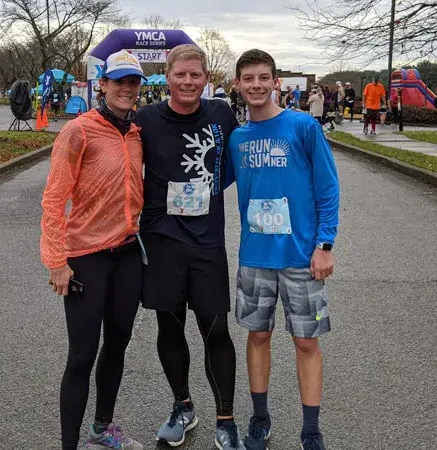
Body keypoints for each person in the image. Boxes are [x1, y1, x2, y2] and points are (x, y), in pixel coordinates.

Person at [228, 48, 340, 450]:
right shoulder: (237, 138)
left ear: (276, 82)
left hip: (301, 257)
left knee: (306, 342)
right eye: (248, 79)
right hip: (256, 257)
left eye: (263, 78)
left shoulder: (303, 127)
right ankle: (260, 418)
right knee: (257, 337)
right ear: (237, 85)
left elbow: (328, 188)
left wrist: (325, 244)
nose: (256, 85)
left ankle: (311, 430)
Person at [136, 44, 245, 450]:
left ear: (205, 78)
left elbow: (238, 159)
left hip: (207, 241)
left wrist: (213, 186)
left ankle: (226, 418)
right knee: (170, 327)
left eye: (195, 75)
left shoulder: (220, 114)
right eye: (180, 74)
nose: (187, 82)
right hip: (162, 239)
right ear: (167, 76)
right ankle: (183, 406)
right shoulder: (146, 119)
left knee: (216, 329)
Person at [40, 49, 146, 450]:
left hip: (128, 255)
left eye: (132, 82)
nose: (125, 88)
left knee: (117, 344)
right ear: (102, 84)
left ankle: (102, 430)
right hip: (86, 257)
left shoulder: (137, 133)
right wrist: (56, 261)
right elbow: (53, 199)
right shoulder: (78, 131)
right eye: (118, 81)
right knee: (82, 355)